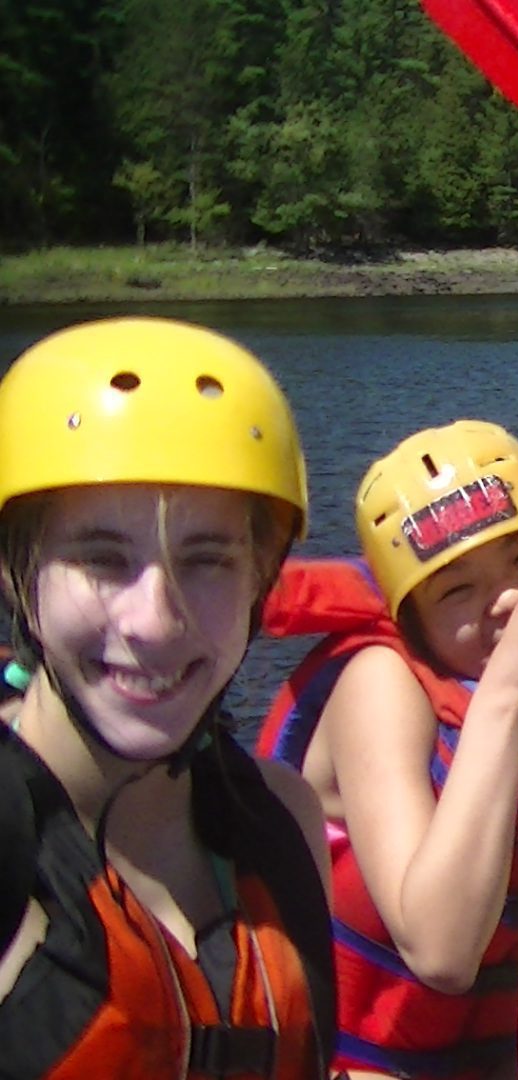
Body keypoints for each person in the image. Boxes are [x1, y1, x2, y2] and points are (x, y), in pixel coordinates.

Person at [258, 421, 518, 1079]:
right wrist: (507, 695)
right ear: (414, 621)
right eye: (456, 590)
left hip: (510, 1044)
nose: (510, 600)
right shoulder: (380, 685)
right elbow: (441, 953)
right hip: (356, 1054)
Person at [0, 317, 335, 1075]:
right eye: (101, 559)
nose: (154, 622)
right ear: (18, 573)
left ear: (259, 578)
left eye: (207, 560)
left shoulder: (282, 816)